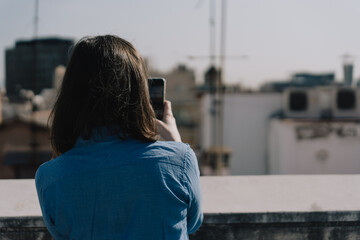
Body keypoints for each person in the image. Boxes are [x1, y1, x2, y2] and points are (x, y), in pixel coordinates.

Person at [35, 35, 203, 240]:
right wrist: (175, 144)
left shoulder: (50, 177)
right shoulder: (180, 160)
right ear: (139, 93)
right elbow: (192, 222)